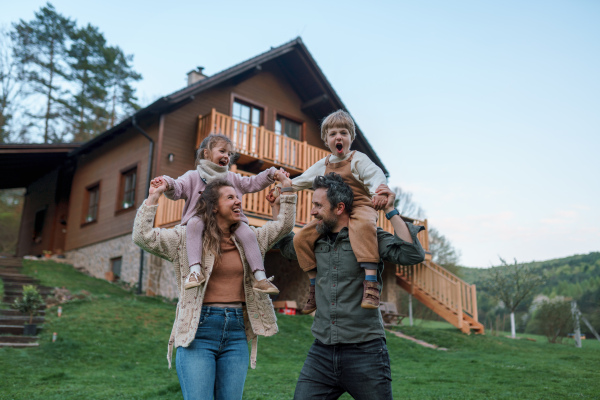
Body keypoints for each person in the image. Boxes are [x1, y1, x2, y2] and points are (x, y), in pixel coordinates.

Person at [132, 174, 297, 400]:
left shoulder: (250, 239)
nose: (238, 201)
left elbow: (284, 226)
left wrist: (287, 191)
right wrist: (153, 197)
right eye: (230, 198)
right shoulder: (184, 240)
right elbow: (142, 236)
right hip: (198, 331)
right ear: (214, 207)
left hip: (236, 332)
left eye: (237, 197)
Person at [274, 173, 426, 399]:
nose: (313, 211)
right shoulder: (314, 240)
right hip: (322, 352)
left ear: (339, 208)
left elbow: (411, 253)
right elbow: (285, 245)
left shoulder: (369, 237)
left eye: (318, 205)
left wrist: (391, 211)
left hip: (366, 353)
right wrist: (278, 207)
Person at [150, 133, 288, 295]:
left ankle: (260, 277)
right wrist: (167, 183)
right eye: (222, 151)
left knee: (248, 233)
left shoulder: (232, 178)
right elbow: (177, 189)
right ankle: (195, 271)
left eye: (229, 154)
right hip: (200, 217)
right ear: (206, 153)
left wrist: (271, 174)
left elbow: (252, 183)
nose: (226, 156)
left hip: (230, 221)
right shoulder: (193, 177)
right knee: (193, 224)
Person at [282, 109, 390, 313]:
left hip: (359, 205)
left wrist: (379, 191)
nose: (338, 137)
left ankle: (371, 283)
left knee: (365, 226)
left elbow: (375, 175)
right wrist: (284, 186)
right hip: (332, 211)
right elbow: (303, 180)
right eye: (332, 134)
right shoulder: (323, 164)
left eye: (343, 132)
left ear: (351, 137)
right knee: (301, 238)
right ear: (326, 139)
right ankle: (313, 287)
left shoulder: (358, 159)